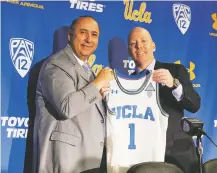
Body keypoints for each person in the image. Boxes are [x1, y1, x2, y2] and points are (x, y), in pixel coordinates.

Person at [32, 16, 113, 173]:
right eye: (83, 32)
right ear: (70, 35)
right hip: (65, 160)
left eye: (94, 35)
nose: (89, 39)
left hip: (86, 160)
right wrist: (97, 84)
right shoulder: (56, 64)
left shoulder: (85, 68)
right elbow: (67, 107)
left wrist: (99, 93)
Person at [128, 27, 201, 173]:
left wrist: (173, 83)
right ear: (129, 50)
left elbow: (195, 104)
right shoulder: (126, 81)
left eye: (143, 41)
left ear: (153, 46)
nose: (139, 46)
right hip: (141, 155)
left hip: (176, 154)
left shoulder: (175, 71)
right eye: (133, 43)